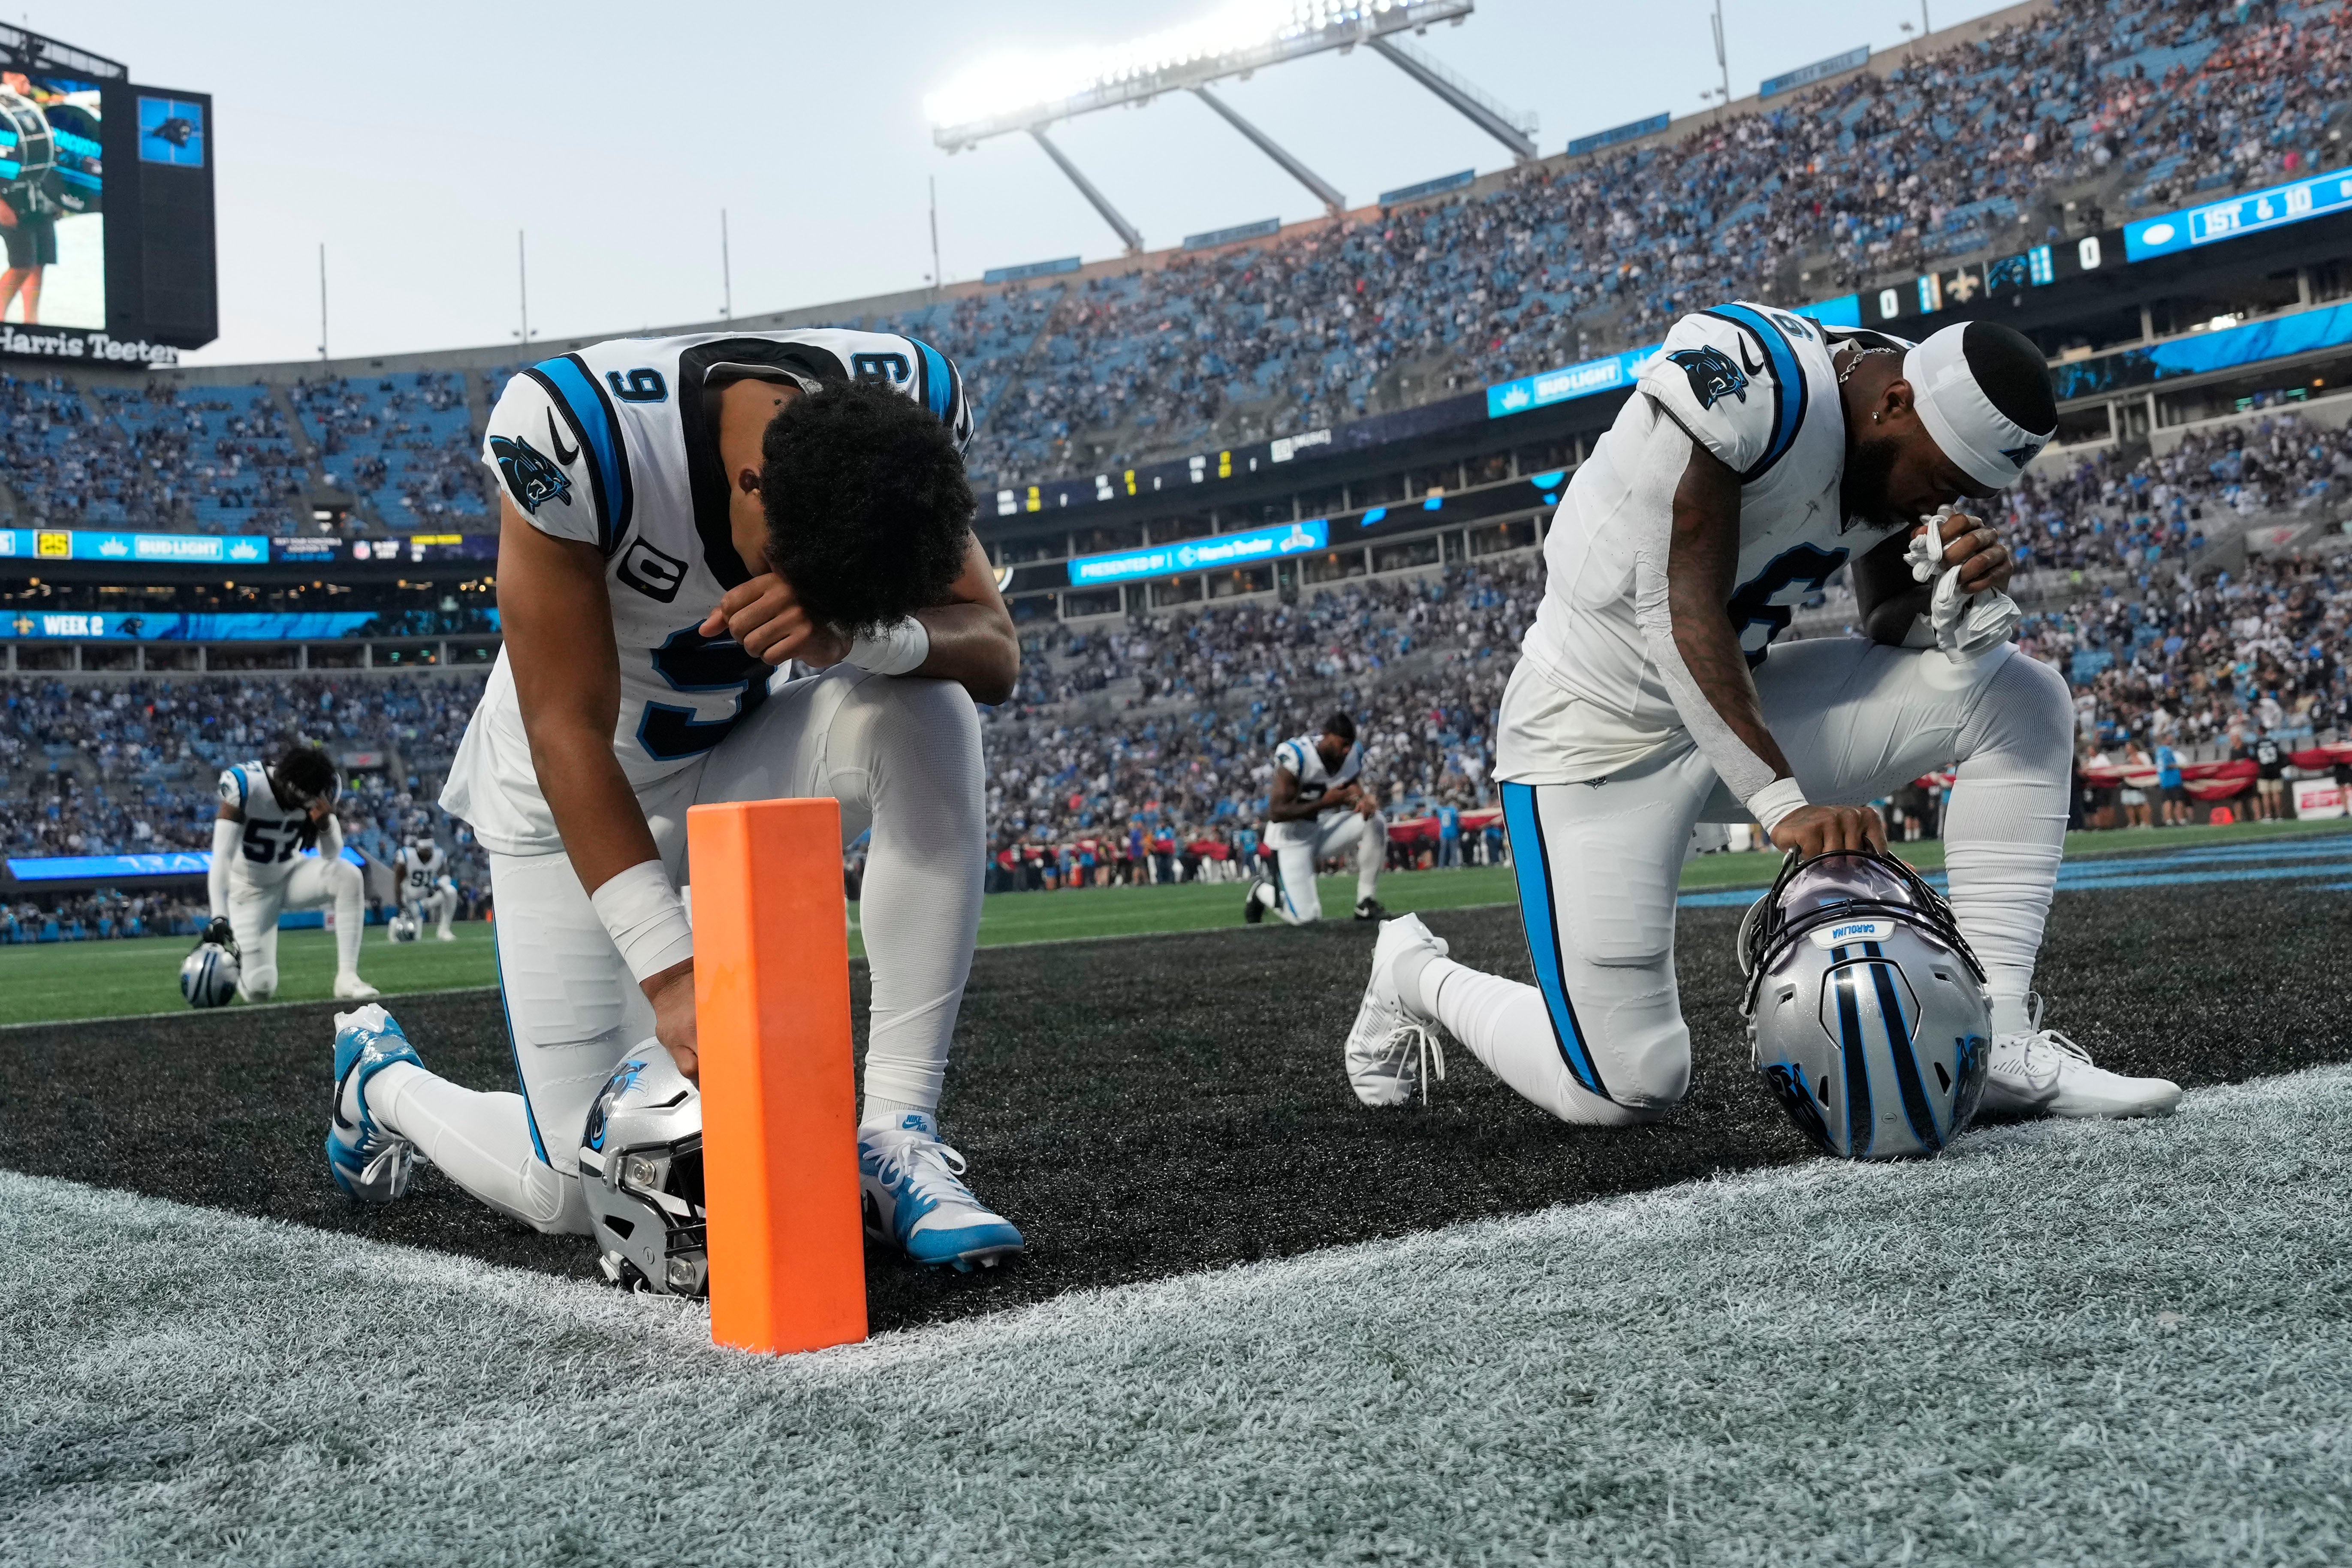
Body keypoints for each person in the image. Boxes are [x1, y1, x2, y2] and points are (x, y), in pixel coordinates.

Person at [1340, 308, 2178, 1122]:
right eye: (1943, 483)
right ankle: (1412, 970)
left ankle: (1996, 1038)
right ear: (1893, 404)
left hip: (1740, 699)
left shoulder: (1902, 412)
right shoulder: (1750, 376)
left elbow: (1887, 614)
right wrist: (1783, 802)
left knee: (2020, 695)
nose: (1942, 504)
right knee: (1624, 1084)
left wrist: (1952, 611)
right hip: (1593, 736)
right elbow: (1673, 607)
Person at [324, 329, 1025, 1271]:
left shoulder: (900, 410)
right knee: (572, 1190)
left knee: (930, 707)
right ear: (753, 491)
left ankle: (895, 1131)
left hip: (736, 760)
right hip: (568, 803)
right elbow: (565, 730)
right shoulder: (577, 431)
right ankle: (382, 1085)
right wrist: (673, 974)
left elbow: (992, 650)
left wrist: (869, 634)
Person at [205, 742, 378, 1002]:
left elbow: (331, 855)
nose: (301, 804)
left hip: (291, 875)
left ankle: (347, 977)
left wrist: (325, 825)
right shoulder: (245, 784)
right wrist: (219, 916)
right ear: (285, 781)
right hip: (249, 890)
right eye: (299, 796)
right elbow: (222, 857)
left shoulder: (323, 788)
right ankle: (237, 971)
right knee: (259, 989)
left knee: (348, 875)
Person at [1243, 711, 1388, 924]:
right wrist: (1326, 803)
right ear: (1326, 735)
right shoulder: (1297, 756)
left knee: (1375, 821)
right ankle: (1261, 892)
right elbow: (1276, 812)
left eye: (1350, 744)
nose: (1346, 750)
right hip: (1290, 840)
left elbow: (1352, 780)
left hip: (1319, 830)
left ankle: (1365, 902)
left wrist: (1364, 798)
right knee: (1307, 919)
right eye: (1342, 744)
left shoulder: (1350, 754)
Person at [394, 834, 459, 941]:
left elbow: (446, 875)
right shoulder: (407, 855)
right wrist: (400, 903)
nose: (426, 853)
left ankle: (444, 931)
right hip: (409, 900)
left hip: (426, 898)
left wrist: (439, 885)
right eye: (424, 850)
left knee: (451, 891)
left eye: (428, 850)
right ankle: (398, 924)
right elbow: (397, 880)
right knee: (410, 938)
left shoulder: (439, 855)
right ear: (418, 848)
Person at [2254, 732, 2288, 820]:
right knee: (2276, 794)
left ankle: (2268, 815)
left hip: (2263, 772)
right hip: (2275, 771)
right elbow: (2282, 756)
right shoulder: (2274, 742)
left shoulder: (2257, 743)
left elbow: (2253, 757)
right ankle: (2279, 815)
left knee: (2266, 795)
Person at [1435, 796, 1462, 868]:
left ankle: (1441, 865)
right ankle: (1455, 865)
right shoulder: (1453, 810)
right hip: (1453, 832)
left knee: (1443, 851)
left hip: (1444, 833)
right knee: (1453, 850)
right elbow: (1458, 820)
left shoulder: (1440, 811)